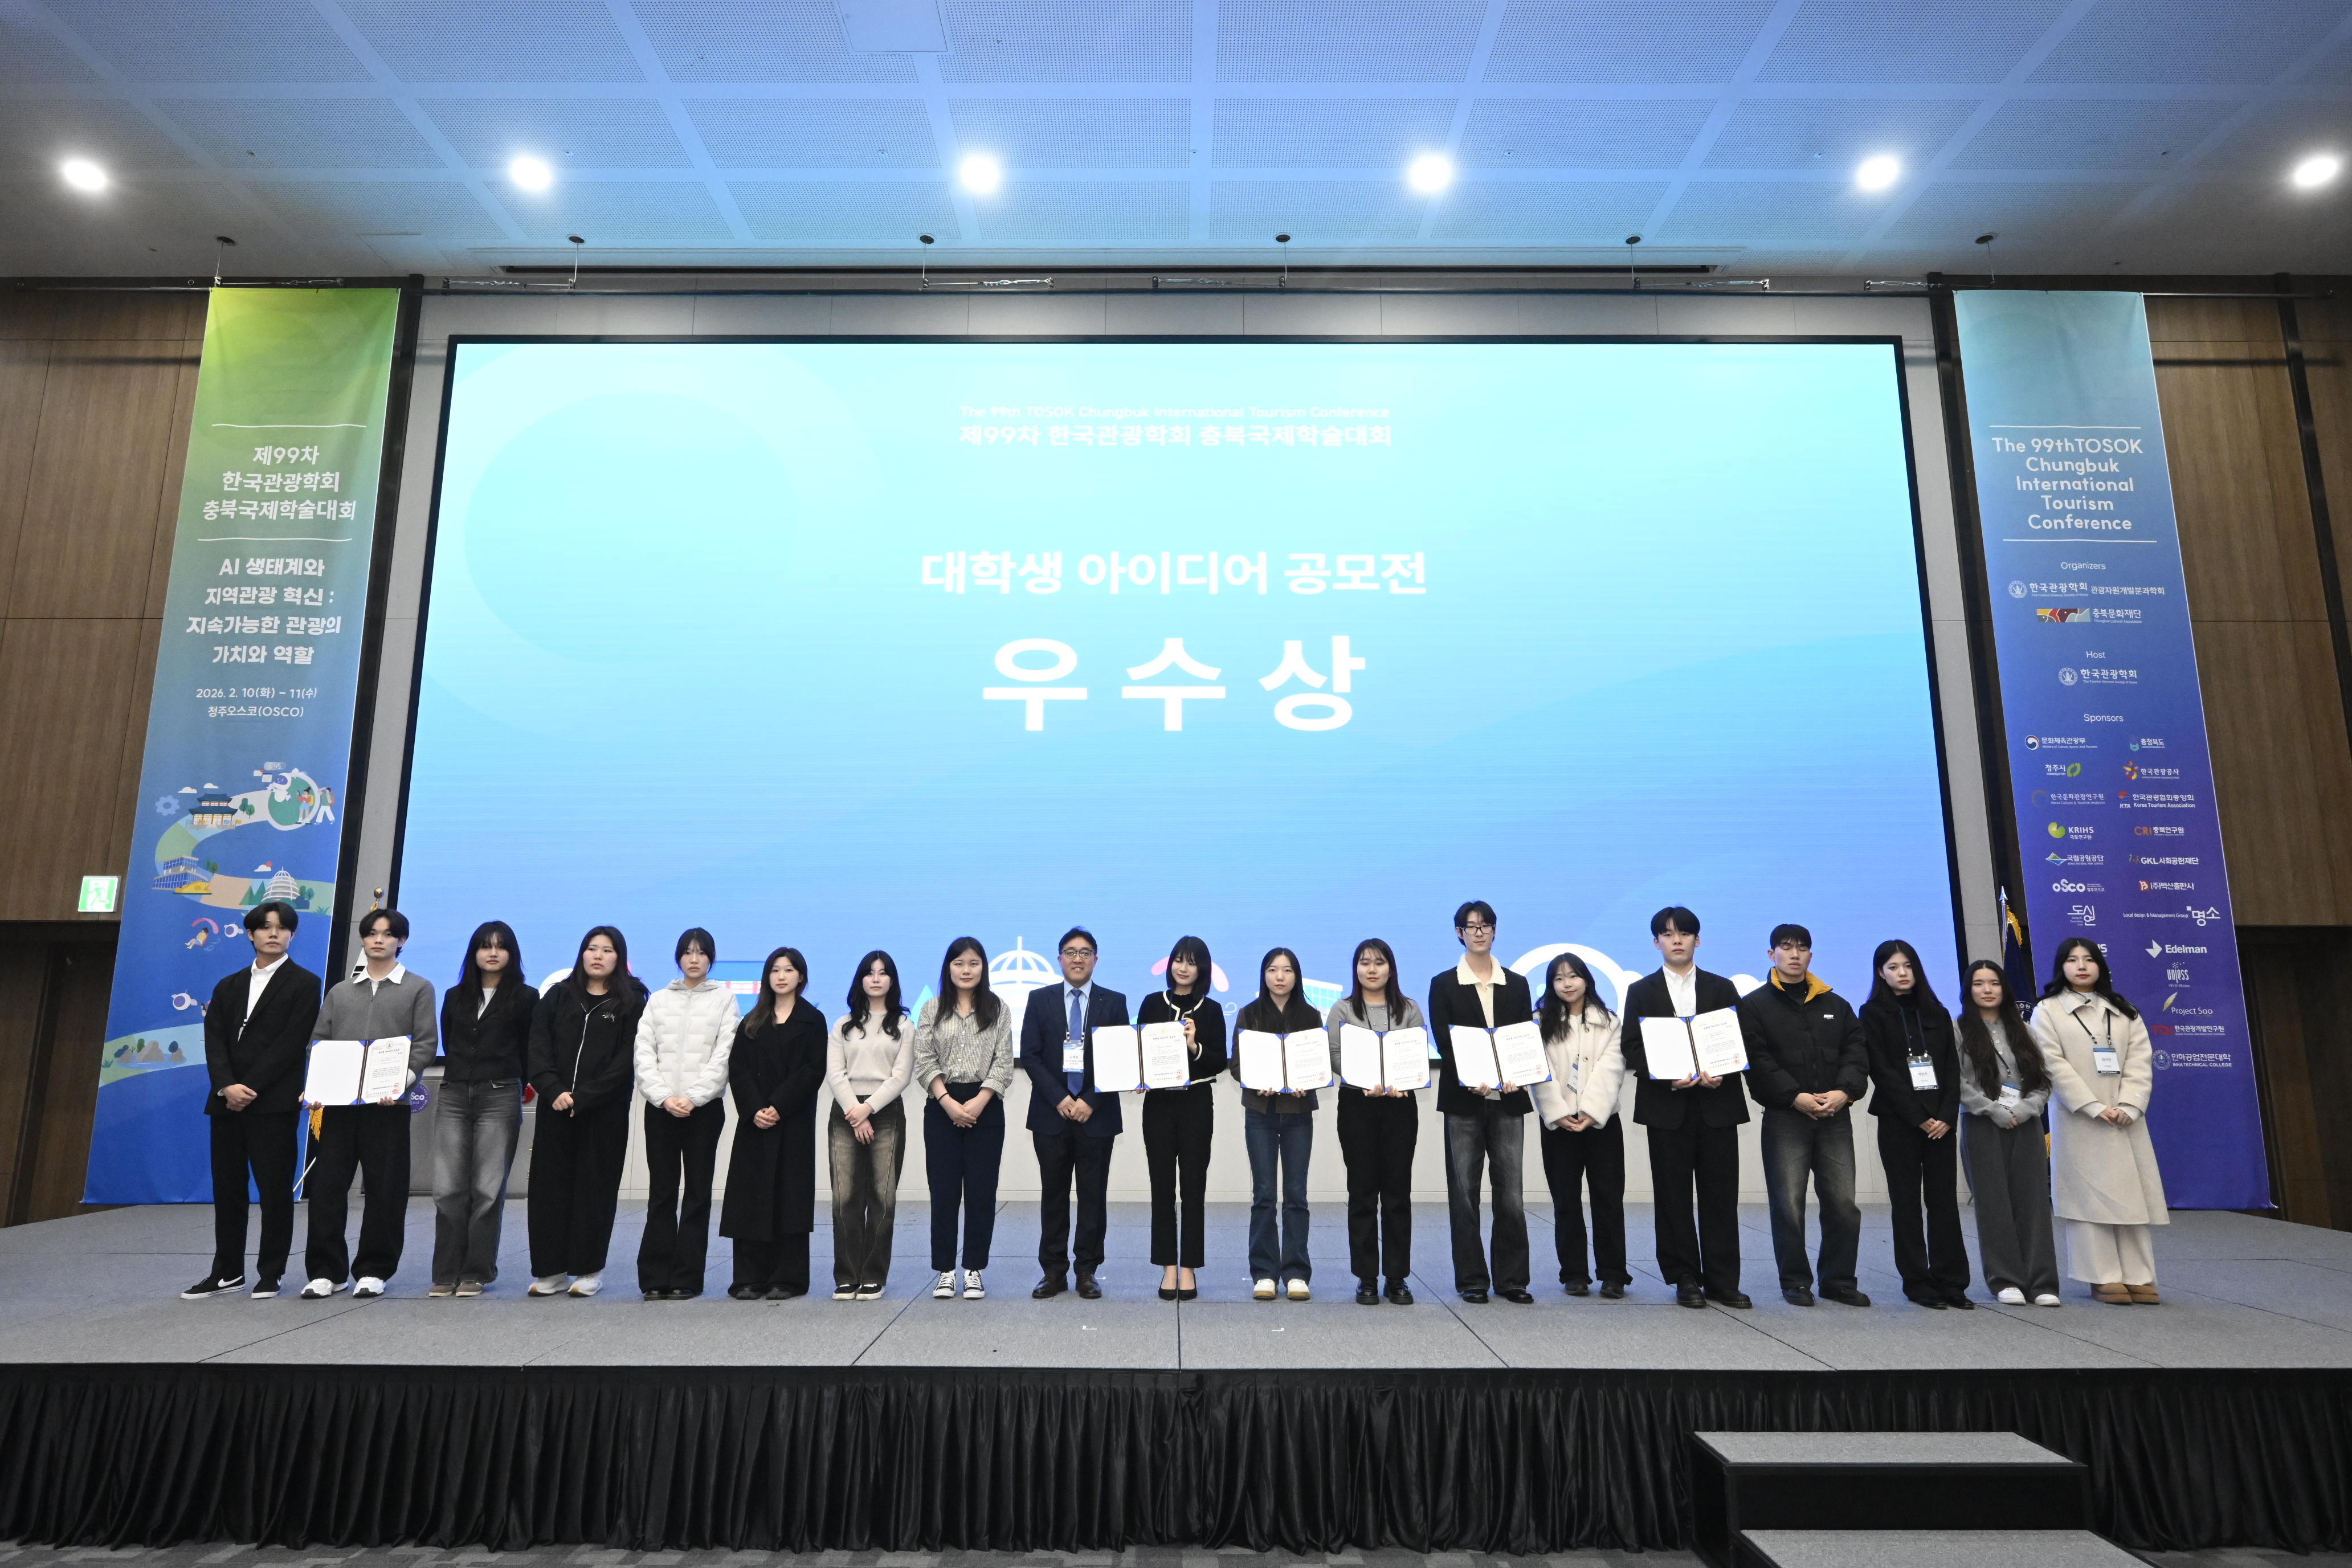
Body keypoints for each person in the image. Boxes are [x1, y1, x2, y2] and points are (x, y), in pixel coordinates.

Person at [184, 901, 320, 1300]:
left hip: (273, 1104)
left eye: (282, 928)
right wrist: (227, 1086)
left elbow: (291, 1044)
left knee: (275, 1192)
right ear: (250, 933)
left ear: (292, 935)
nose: (273, 934)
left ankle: (271, 1272)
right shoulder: (228, 985)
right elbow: (214, 1041)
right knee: (228, 1191)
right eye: (265, 927)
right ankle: (227, 1272)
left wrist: (250, 1088)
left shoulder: (305, 983)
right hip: (226, 1103)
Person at [299, 907, 438, 1300]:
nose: (379, 940)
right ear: (363, 939)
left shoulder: (418, 988)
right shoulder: (341, 992)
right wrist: (318, 1085)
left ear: (401, 941)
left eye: (388, 934)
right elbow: (319, 1043)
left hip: (387, 1106)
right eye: (372, 933)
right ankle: (327, 1271)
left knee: (385, 1189)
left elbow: (426, 1043)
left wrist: (399, 1083)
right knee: (327, 1188)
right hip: (339, 1108)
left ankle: (374, 1269)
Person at [1620, 906, 1750, 1309]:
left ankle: (1724, 1281)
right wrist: (1666, 1076)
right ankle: (1685, 1277)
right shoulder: (1641, 991)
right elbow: (1632, 1047)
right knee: (1672, 1195)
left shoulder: (1722, 988)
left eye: (1685, 933)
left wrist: (1722, 1071)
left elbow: (1740, 1041)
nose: (1677, 940)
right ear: (1656, 942)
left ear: (1697, 939)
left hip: (1717, 1104)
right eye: (1668, 934)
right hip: (1667, 1106)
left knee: (1721, 1195)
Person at [1738, 923, 1869, 1309]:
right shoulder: (1754, 1005)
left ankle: (1838, 1281)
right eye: (1786, 947)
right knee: (1788, 1204)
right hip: (1785, 1118)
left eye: (1802, 948)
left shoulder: (1836, 1004)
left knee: (1843, 1203)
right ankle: (1796, 1281)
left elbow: (1856, 1052)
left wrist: (1845, 1092)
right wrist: (1794, 1096)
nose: (1794, 954)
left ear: (1811, 954)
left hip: (1834, 1116)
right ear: (1771, 954)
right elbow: (1757, 1060)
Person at [2032, 937, 2167, 1305]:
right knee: (2089, 1200)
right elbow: (2051, 1063)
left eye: (2089, 959)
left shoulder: (2124, 1010)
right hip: (2080, 1119)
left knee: (2132, 1198)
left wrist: (2130, 1105)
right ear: (2061, 967)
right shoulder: (2048, 1010)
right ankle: (2103, 1276)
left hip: (2124, 1119)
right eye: (2072, 960)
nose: (2081, 966)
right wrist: (2091, 1105)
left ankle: (2138, 1276)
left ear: (2100, 966)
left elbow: (2140, 1061)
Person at [1424, 900, 1536, 1305]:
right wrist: (1471, 1077)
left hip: (1508, 1099)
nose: (1479, 932)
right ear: (1459, 933)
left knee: (1511, 1195)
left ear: (1495, 930)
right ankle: (1472, 1280)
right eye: (1470, 926)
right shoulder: (1443, 983)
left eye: (1485, 925)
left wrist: (1516, 1073)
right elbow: (1444, 1040)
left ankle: (1512, 1280)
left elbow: (1523, 1038)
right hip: (1464, 1101)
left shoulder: (1517, 984)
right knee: (1464, 1194)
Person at [524, 926, 644, 1297]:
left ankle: (589, 1270)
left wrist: (585, 1097)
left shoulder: (632, 1002)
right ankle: (551, 1271)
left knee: (595, 1190)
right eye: (592, 948)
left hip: (603, 1113)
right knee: (549, 1190)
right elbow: (537, 1047)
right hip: (555, 1107)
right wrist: (554, 1090)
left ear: (619, 958)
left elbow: (626, 1060)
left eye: (607, 950)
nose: (598, 956)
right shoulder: (559, 996)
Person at [1018, 926, 1128, 1300]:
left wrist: (1090, 1100)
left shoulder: (1114, 1002)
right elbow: (1030, 1055)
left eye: (1085, 953)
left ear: (1095, 959)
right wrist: (1060, 1098)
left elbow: (1119, 1058)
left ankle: (1087, 1271)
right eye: (1070, 952)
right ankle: (1053, 1272)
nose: (1077, 959)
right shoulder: (1039, 999)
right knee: (1054, 1194)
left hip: (1097, 1114)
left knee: (1093, 1196)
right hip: (1052, 1115)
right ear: (1059, 959)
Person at [1861, 938, 1973, 1308]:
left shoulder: (1937, 1012)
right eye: (1893, 967)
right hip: (1900, 1122)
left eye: (1908, 966)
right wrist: (1919, 1117)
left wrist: (1945, 1116)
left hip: (1942, 1122)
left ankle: (1952, 1282)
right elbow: (1882, 1071)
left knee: (1944, 1203)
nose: (1902, 973)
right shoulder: (1872, 1013)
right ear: (1881, 973)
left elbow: (1952, 1069)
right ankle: (1918, 1283)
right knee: (1906, 1204)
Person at [430, 920, 536, 1297]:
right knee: (448, 1187)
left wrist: (520, 1082)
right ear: (473, 953)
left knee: (487, 1188)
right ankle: (446, 1272)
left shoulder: (526, 997)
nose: (492, 953)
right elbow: (450, 1041)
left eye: (500, 946)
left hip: (500, 1093)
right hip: (454, 1093)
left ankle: (476, 1271)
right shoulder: (454, 996)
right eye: (485, 946)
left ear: (511, 953)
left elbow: (529, 1047)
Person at [634, 927, 740, 1301]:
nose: (694, 959)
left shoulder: (725, 1000)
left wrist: (694, 1098)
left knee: (697, 1194)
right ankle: (655, 1276)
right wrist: (664, 1097)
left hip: (704, 1110)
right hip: (660, 1109)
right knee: (661, 1193)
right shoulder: (659, 1000)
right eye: (687, 952)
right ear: (678, 957)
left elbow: (725, 1055)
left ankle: (687, 1277)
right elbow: (643, 1053)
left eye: (702, 952)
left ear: (711, 958)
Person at [720, 947, 828, 1300]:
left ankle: (788, 1278)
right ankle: (749, 1277)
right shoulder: (752, 1021)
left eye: (789, 970)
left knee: (790, 1198)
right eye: (775, 970)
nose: (782, 976)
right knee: (750, 1197)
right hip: (755, 1123)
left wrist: (778, 1106)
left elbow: (812, 1070)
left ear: (801, 976)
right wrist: (755, 1109)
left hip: (793, 1121)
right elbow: (738, 1069)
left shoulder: (813, 1020)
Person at [913, 937, 1016, 1301]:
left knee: (981, 1193)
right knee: (943, 1192)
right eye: (959, 963)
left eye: (974, 963)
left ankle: (974, 1270)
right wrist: (947, 1102)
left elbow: (1004, 1063)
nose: (966, 970)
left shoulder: (998, 1009)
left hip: (985, 1107)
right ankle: (945, 1271)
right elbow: (924, 1059)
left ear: (983, 967)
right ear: (949, 968)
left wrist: (979, 1101)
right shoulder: (932, 1008)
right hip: (941, 1106)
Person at [1326, 938, 1426, 1306]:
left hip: (1400, 1105)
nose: (1371, 969)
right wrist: (1363, 1078)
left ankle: (1397, 1277)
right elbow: (1334, 1054)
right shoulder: (1342, 1009)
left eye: (1379, 962)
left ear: (1391, 968)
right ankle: (1366, 1276)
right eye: (1365, 963)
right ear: (1355, 969)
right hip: (1357, 1104)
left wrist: (1403, 1081)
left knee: (1398, 1193)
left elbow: (1416, 1054)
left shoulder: (1409, 1009)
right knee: (1363, 1191)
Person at [1955, 959, 2060, 1307]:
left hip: (2026, 1124)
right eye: (1979, 984)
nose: (1987, 990)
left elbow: (2044, 1080)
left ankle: (2042, 1282)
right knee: (1993, 1204)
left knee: (2034, 1203)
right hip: (1982, 1125)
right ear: (1968, 990)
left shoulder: (2025, 1030)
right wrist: (1992, 1110)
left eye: (1994, 983)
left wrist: (2026, 1109)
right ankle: (2006, 1280)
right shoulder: (1958, 1030)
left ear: (2005, 988)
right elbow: (1958, 1082)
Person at [1530, 952, 1628, 1298]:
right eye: (1558, 979)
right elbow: (1539, 1071)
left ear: (1586, 979)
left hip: (1601, 1123)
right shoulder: (1539, 1022)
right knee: (1565, 1201)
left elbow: (1612, 1068)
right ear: (1550, 985)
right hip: (1558, 1125)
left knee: (1608, 1198)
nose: (1567, 984)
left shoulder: (1609, 1021)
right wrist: (1557, 1112)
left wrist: (1591, 1111)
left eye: (1573, 976)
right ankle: (1574, 1273)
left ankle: (1613, 1274)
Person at [1138, 935, 1226, 1301]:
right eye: (1178, 960)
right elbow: (1140, 1051)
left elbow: (1218, 1061)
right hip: (1158, 1106)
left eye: (1191, 962)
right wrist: (1137, 1075)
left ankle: (1188, 1267)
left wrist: (1193, 1046)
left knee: (1193, 1188)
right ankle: (1168, 1268)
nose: (1183, 968)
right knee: (1161, 1188)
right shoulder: (1151, 1003)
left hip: (1196, 1104)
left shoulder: (1212, 1009)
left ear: (1202, 968)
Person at [1234, 946, 1323, 1301]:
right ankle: (1264, 1273)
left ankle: (1297, 1272)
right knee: (1265, 1195)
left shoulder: (1311, 1015)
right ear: (1264, 975)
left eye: (1287, 970)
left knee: (1297, 1195)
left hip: (1299, 1114)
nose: (1280, 977)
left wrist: (1308, 1082)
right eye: (1273, 970)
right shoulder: (1249, 1013)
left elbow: (1317, 1064)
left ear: (1296, 976)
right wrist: (1256, 1081)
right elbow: (1237, 1065)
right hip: (1261, 1113)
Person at [826, 950, 913, 1300]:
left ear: (892, 980)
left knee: (882, 1197)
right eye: (870, 973)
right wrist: (855, 1111)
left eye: (883, 973)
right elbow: (836, 1074)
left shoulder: (903, 1025)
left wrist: (869, 1108)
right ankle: (847, 1275)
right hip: (846, 1112)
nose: (876, 979)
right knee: (845, 1197)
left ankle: (874, 1275)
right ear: (860, 979)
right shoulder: (843, 1025)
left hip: (886, 1111)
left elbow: (901, 1076)